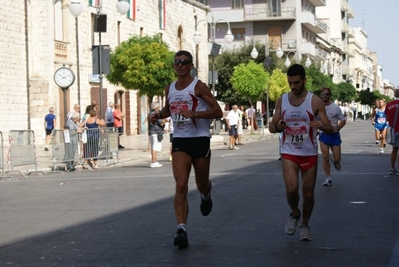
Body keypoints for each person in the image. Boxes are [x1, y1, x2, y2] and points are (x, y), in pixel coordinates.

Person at [151, 50, 222, 249]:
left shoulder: (198, 86)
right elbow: (169, 110)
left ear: (191, 66)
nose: (180, 65)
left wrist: (195, 113)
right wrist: (158, 115)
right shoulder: (170, 88)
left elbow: (218, 111)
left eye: (184, 62)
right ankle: (181, 228)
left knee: (201, 184)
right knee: (181, 184)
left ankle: (206, 194)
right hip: (180, 139)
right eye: (176, 62)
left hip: (199, 139)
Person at [268, 64, 333, 241]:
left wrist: (321, 125)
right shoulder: (283, 100)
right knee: (291, 189)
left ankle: (304, 224)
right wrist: (278, 126)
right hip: (289, 151)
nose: (293, 86)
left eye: (296, 82)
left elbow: (329, 128)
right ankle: (295, 213)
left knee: (308, 192)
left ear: (304, 80)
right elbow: (271, 126)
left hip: (309, 152)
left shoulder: (315, 102)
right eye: (290, 83)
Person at [318, 88, 346, 186]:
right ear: (321, 95)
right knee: (325, 156)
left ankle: (334, 160)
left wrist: (337, 128)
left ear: (330, 95)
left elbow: (343, 120)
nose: (325, 95)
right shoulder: (317, 107)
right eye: (323, 94)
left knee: (337, 158)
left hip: (334, 135)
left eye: (327, 94)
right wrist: (317, 128)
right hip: (323, 134)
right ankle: (328, 178)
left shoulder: (335, 107)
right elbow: (312, 119)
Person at [385, 90, 399, 175]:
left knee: (394, 149)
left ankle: (392, 168)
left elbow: (387, 118)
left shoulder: (389, 104)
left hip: (393, 129)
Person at [147, 102, 164, 168]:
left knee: (153, 147)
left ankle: (155, 161)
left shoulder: (149, 114)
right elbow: (160, 123)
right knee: (155, 148)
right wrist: (164, 121)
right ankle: (153, 161)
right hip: (156, 132)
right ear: (156, 108)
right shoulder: (156, 114)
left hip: (151, 132)